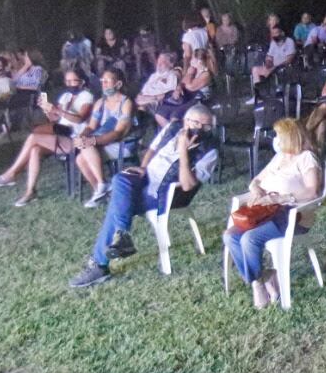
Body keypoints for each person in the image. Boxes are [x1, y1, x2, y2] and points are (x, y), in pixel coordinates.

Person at [69, 105, 219, 289]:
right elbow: (153, 148)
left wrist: (183, 152)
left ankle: (101, 263)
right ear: (186, 122)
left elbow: (188, 185)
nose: (201, 129)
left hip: (166, 194)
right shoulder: (173, 128)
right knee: (120, 180)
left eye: (207, 126)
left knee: (119, 203)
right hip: (146, 178)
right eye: (197, 123)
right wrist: (144, 166)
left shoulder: (210, 150)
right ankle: (120, 239)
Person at [224, 118, 324, 308]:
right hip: (264, 212)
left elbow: (312, 191)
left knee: (249, 239)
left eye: (278, 135)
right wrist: (255, 189)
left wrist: (280, 198)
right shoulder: (279, 157)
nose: (275, 140)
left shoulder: (306, 158)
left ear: (289, 137)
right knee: (230, 236)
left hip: (290, 214)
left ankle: (257, 285)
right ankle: (260, 279)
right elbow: (256, 180)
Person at [0, 69, 95, 206]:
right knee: (35, 150)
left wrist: (58, 110)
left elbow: (80, 119)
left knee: (33, 137)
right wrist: (47, 109)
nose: (69, 84)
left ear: (82, 81)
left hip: (76, 135)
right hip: (62, 131)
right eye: (67, 81)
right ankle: (30, 191)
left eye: (73, 80)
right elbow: (56, 118)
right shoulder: (66, 96)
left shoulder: (87, 96)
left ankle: (12, 174)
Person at [75, 69, 137, 206]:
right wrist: (82, 136)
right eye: (102, 81)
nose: (103, 84)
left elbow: (118, 133)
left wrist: (92, 140)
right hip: (103, 143)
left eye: (107, 81)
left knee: (84, 151)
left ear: (118, 84)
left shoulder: (126, 103)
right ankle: (101, 189)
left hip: (122, 144)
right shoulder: (100, 103)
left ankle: (102, 186)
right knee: (80, 156)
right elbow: (91, 127)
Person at [250, 25, 297, 99]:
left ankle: (273, 94)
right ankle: (258, 95)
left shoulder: (289, 41)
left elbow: (289, 59)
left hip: (284, 67)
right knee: (255, 69)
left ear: (282, 33)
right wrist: (268, 62)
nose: (274, 35)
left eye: (276, 33)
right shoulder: (273, 43)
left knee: (273, 71)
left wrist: (275, 67)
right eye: (273, 33)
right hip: (272, 67)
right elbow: (269, 56)